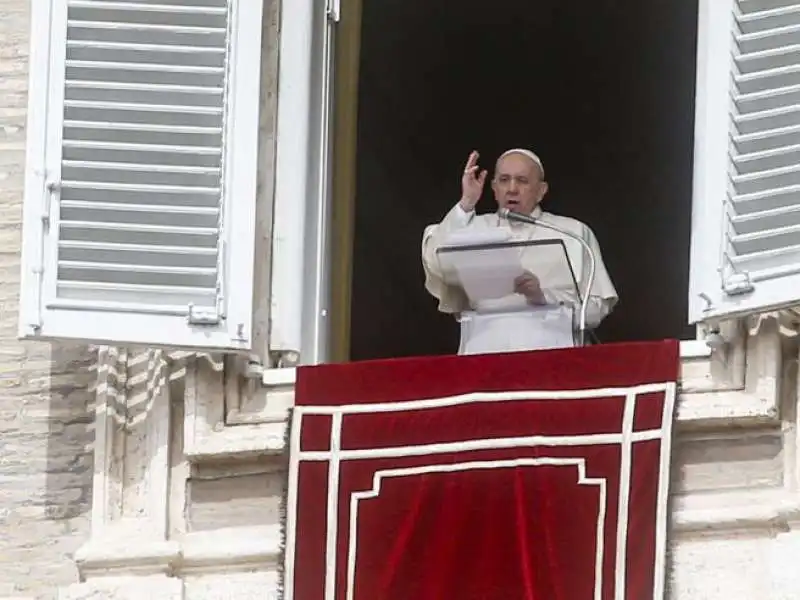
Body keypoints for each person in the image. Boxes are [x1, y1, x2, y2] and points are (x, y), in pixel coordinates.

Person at [421, 148, 618, 355]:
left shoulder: (572, 232)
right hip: (484, 352)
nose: (512, 188)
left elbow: (597, 308)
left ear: (541, 190)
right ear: (494, 188)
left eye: (522, 180)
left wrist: (543, 298)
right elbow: (436, 263)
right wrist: (466, 203)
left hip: (553, 353)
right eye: (504, 180)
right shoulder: (473, 228)